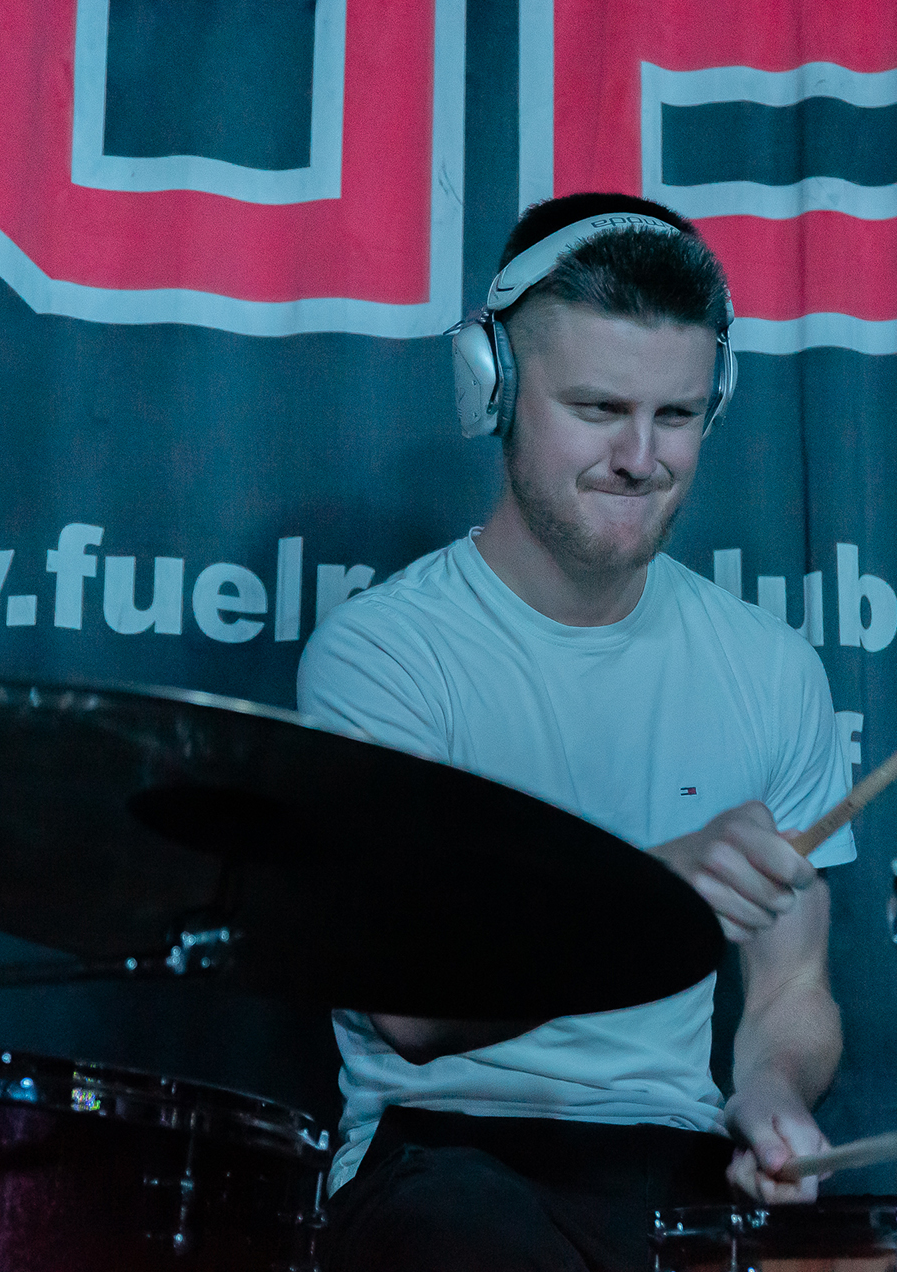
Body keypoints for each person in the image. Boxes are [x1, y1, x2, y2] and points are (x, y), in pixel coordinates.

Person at [296, 192, 856, 1272]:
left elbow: (792, 987)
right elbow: (409, 1008)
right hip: (445, 1156)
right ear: (493, 389)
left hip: (674, 1168)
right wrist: (648, 894)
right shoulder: (383, 654)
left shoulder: (773, 668)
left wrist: (770, 1090)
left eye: (676, 415)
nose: (640, 457)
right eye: (598, 407)